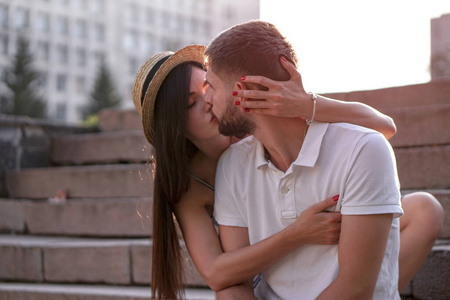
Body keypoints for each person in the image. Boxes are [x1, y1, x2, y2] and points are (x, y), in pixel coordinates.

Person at [132, 45, 444, 299]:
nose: (207, 103)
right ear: (173, 127)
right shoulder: (190, 184)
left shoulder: (253, 123)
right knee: (228, 294)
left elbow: (384, 128)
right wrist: (297, 234)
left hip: (326, 241)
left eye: (207, 88)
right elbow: (217, 274)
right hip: (265, 270)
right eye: (191, 103)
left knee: (425, 209)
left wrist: (304, 104)